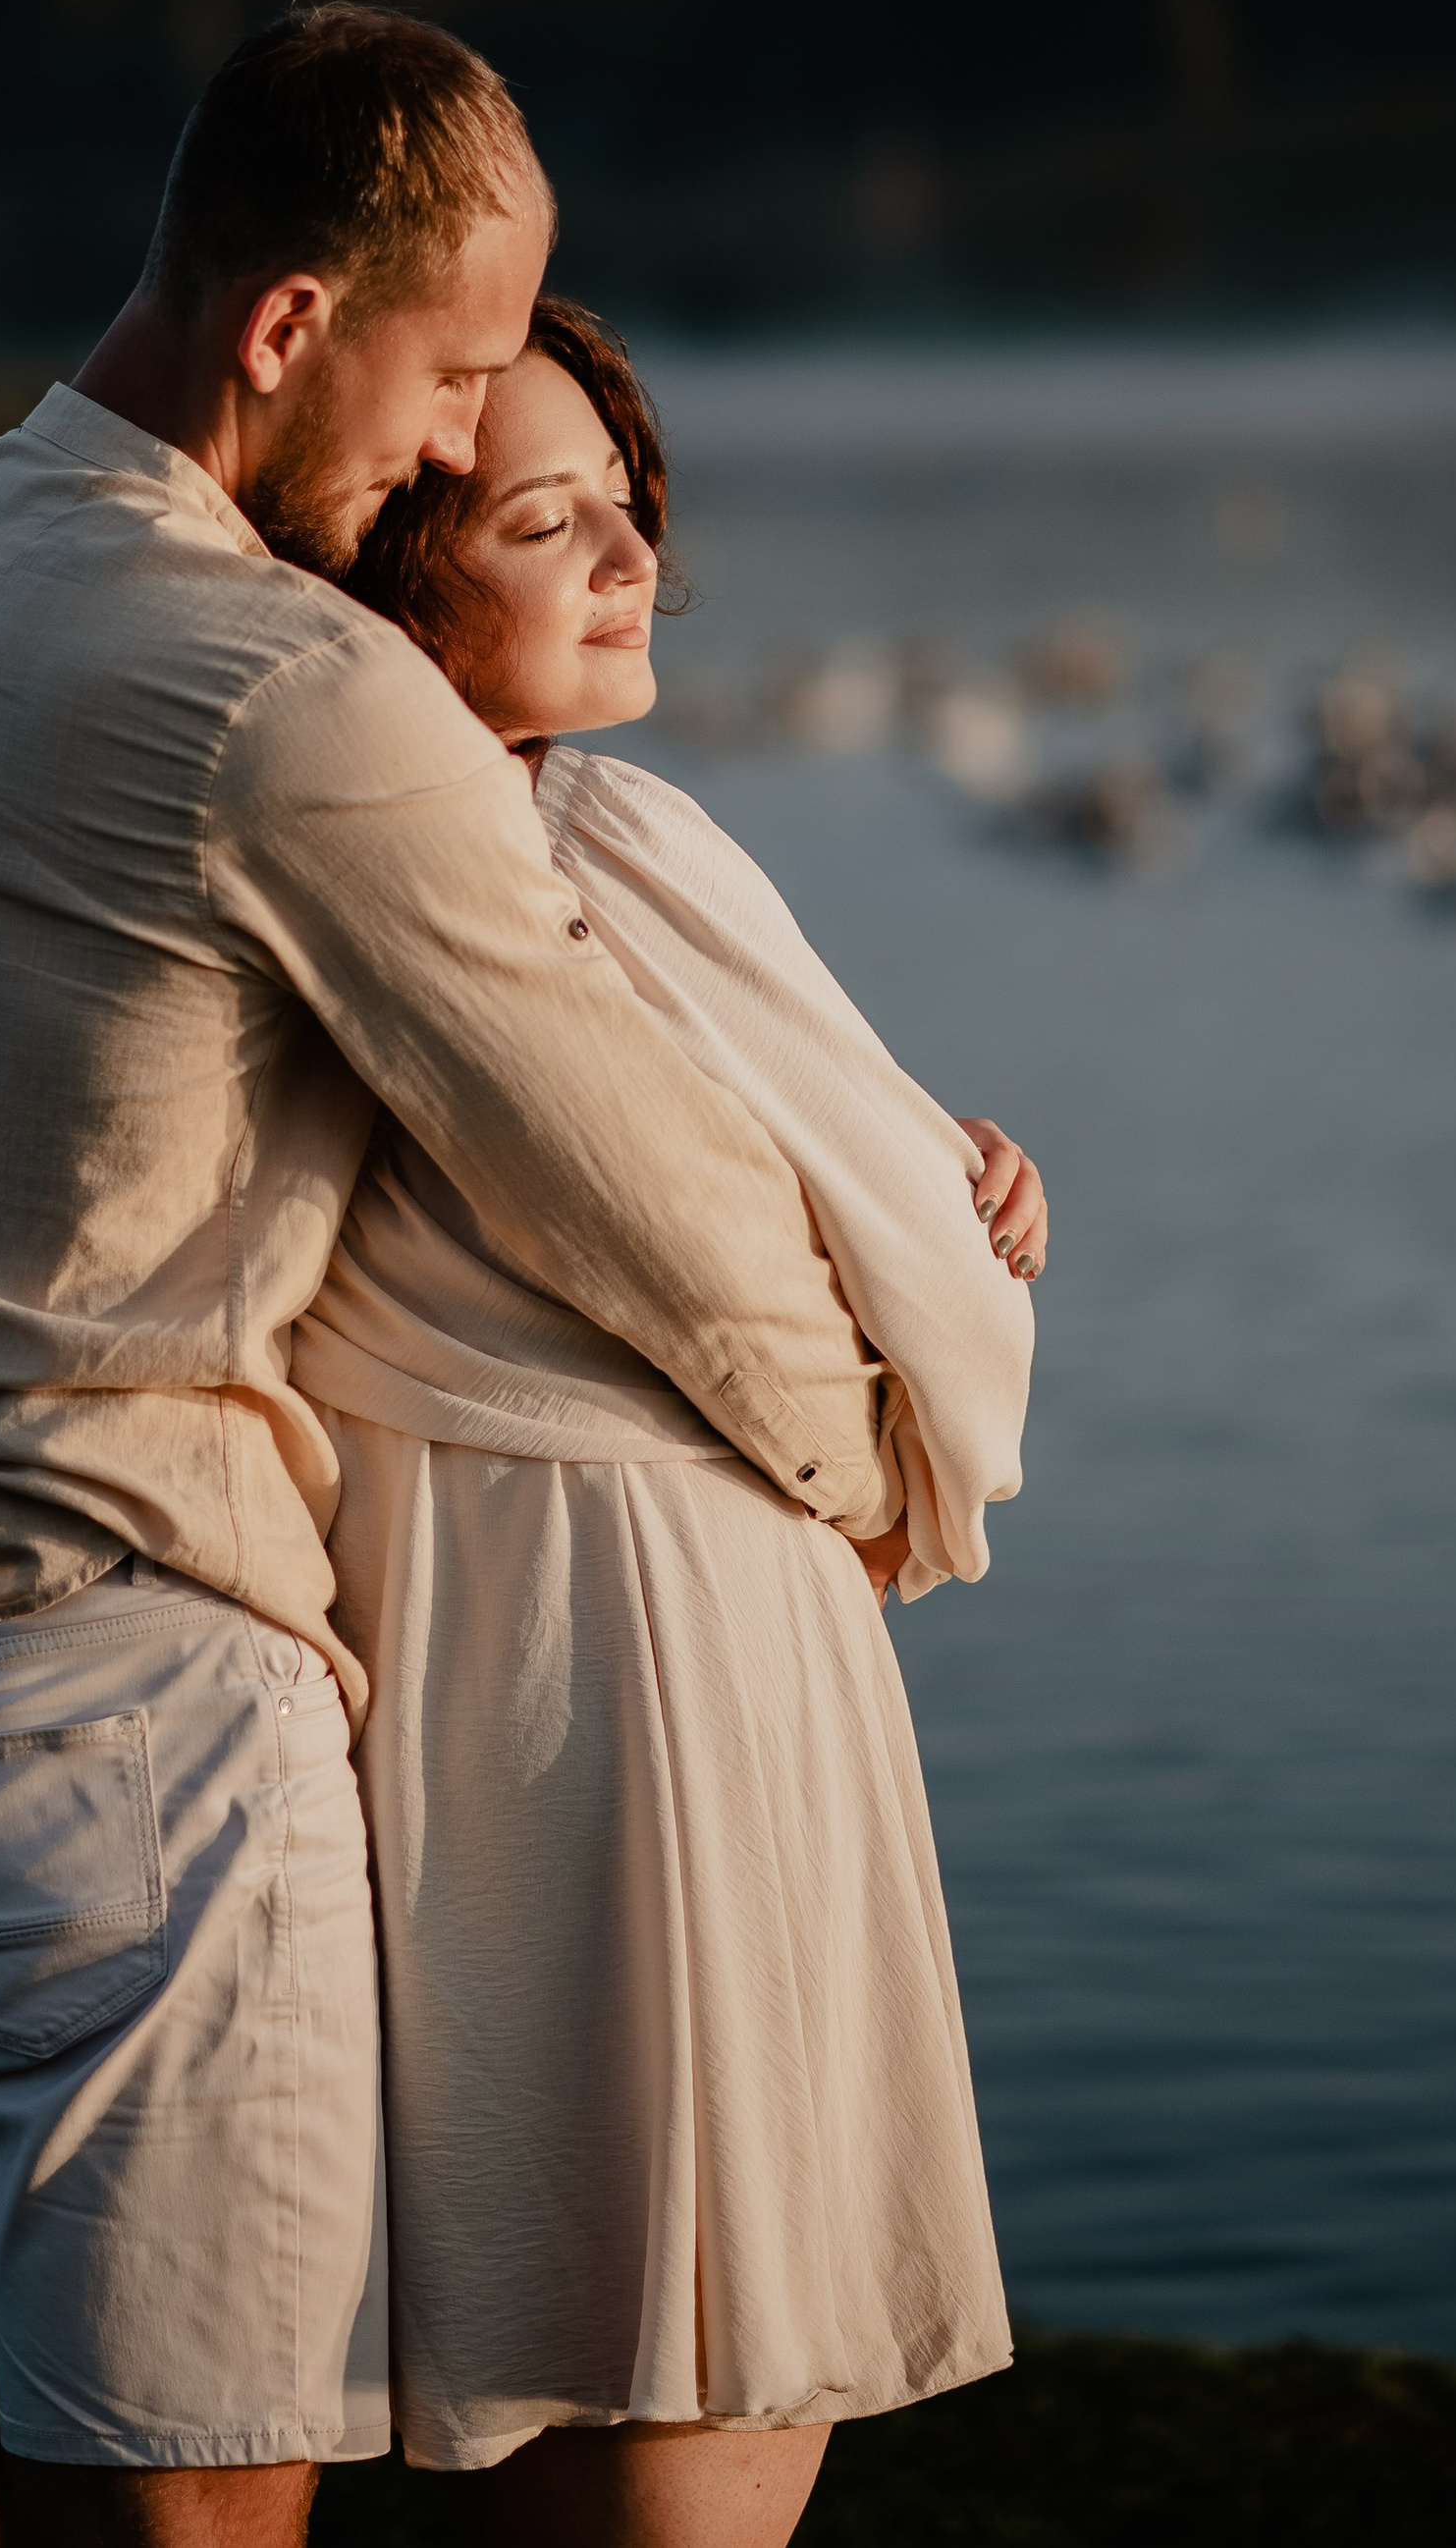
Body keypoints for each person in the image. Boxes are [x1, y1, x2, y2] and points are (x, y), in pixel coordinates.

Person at [0, 8, 900, 2548]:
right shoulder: (286, 686)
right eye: (462, 367)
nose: (471, 439)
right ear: (285, 330)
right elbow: (657, 1189)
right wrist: (873, 1456)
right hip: (114, 1718)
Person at [301, 298, 1043, 2547]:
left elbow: (834, 1173)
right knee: (621, 2400)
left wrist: (958, 1177)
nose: (626, 557)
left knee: (735, 2384)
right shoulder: (392, 859)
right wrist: (895, 1264)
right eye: (545, 519)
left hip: (731, 1661)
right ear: (396, 569)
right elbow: (700, 1254)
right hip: (562, 1672)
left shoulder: (625, 831)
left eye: (631, 507)